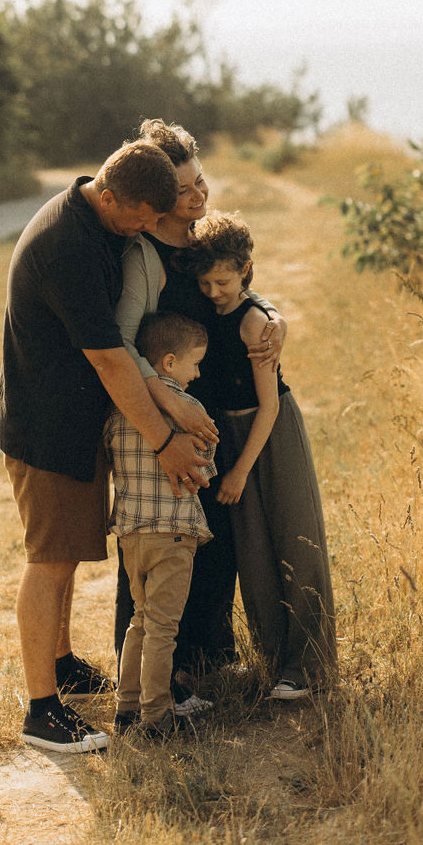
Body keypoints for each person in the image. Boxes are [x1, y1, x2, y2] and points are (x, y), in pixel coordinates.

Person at [0, 141, 213, 753]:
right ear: (111, 196)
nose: (143, 231)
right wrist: (165, 440)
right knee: (49, 561)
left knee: (65, 552)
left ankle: (62, 664)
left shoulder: (97, 217)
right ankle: (42, 711)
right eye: (140, 219)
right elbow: (112, 360)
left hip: (74, 420)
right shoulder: (67, 245)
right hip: (46, 426)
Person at [113, 119, 286, 679]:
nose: (198, 197)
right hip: (160, 409)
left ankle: (208, 659)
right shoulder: (143, 255)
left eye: (201, 182)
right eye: (183, 190)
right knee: (157, 536)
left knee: (212, 535)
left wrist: (272, 314)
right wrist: (169, 406)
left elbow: (237, 285)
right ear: (158, 194)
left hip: (210, 412)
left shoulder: (202, 238)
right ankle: (151, 674)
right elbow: (123, 343)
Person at [177, 210, 337, 699]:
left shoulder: (254, 324)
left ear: (245, 269)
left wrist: (240, 472)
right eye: (205, 283)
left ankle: (310, 665)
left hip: (269, 434)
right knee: (253, 549)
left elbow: (269, 406)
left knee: (295, 539)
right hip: (229, 434)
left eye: (223, 282)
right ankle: (274, 660)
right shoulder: (210, 312)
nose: (213, 291)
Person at [106, 311, 216, 738]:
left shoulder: (121, 408)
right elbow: (202, 471)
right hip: (173, 533)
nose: (198, 373)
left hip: (132, 534)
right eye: (195, 363)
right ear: (169, 362)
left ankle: (126, 708)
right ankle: (156, 716)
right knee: (163, 629)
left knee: (140, 620)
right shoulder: (189, 411)